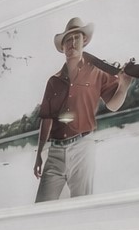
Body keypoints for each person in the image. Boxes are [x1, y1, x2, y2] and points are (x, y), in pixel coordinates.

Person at [32, 17, 133, 202]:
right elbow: (46, 120)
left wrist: (124, 86)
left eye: (76, 38)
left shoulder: (97, 72)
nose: (72, 43)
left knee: (82, 206)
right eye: (67, 40)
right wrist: (39, 154)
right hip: (54, 153)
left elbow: (113, 105)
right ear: (62, 47)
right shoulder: (53, 82)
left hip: (82, 148)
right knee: (41, 207)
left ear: (84, 41)